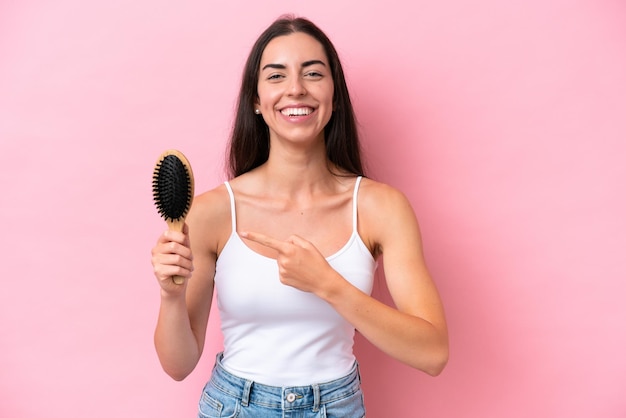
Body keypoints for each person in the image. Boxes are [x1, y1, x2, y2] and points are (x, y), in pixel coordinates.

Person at [151, 15, 448, 417]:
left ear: (334, 93)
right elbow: (178, 365)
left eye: (313, 73)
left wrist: (328, 284)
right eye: (276, 76)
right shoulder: (212, 212)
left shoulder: (381, 208)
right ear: (256, 99)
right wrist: (171, 296)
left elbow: (432, 353)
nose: (295, 89)